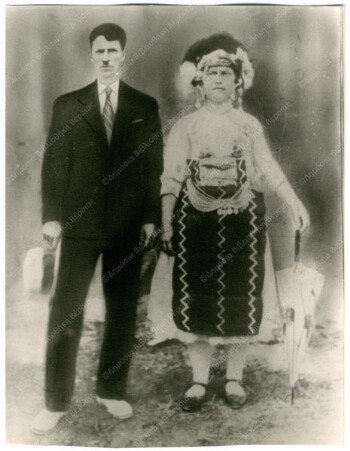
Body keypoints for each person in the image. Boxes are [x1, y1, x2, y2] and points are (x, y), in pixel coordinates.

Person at [156, 32, 310, 411]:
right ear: (200, 81)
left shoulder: (249, 125)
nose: (220, 79)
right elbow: (170, 179)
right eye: (212, 73)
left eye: (226, 73)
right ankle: (198, 381)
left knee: (242, 301)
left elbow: (269, 169)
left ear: (237, 80)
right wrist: (167, 224)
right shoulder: (185, 128)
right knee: (197, 300)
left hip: (244, 224)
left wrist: (294, 203)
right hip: (195, 225)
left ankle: (235, 379)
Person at [31, 23, 163, 433]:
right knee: (65, 309)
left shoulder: (144, 105)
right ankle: (54, 401)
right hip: (80, 222)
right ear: (92, 55)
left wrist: (150, 218)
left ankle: (112, 391)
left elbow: (152, 166)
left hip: (126, 225)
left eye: (113, 50)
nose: (106, 57)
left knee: (122, 311)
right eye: (99, 51)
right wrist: (52, 217)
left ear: (124, 54)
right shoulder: (68, 104)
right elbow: (54, 164)